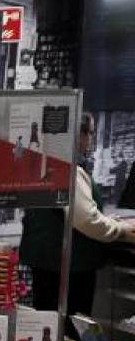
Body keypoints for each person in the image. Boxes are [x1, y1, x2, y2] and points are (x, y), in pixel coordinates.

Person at [21, 114, 135, 325]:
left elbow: (73, 212)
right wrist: (120, 228)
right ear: (79, 135)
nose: (90, 139)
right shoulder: (69, 169)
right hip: (69, 268)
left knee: (50, 325)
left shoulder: (44, 163)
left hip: (47, 262)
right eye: (90, 133)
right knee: (73, 328)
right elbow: (87, 220)